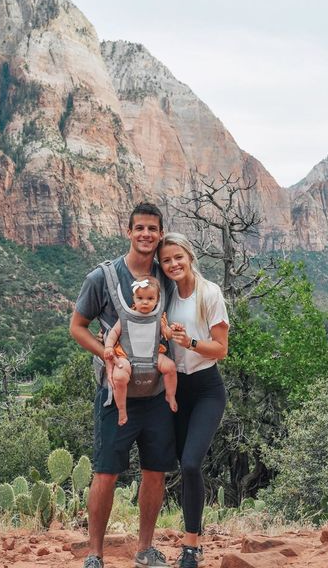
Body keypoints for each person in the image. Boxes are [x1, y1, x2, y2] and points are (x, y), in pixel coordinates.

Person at [70, 203, 177, 568]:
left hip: (158, 395)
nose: (146, 235)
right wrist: (107, 354)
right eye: (140, 228)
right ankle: (95, 554)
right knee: (105, 472)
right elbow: (77, 327)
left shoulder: (168, 278)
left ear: (160, 234)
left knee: (156, 470)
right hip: (115, 395)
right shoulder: (102, 278)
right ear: (128, 232)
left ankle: (145, 549)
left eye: (153, 229)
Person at [157, 232, 229, 568]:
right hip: (175, 389)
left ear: (189, 256)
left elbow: (222, 349)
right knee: (172, 464)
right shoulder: (165, 295)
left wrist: (190, 343)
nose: (173, 264)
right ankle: (170, 540)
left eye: (178, 257)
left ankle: (191, 547)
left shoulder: (209, 293)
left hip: (206, 390)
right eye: (166, 260)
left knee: (190, 464)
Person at [104, 275, 178, 425]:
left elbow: (167, 335)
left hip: (153, 355)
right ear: (134, 298)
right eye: (140, 298)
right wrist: (109, 347)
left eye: (150, 298)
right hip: (126, 355)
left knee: (170, 367)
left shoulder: (159, 317)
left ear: (157, 299)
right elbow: (113, 333)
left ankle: (170, 395)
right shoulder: (126, 315)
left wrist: (173, 330)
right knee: (119, 377)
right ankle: (122, 410)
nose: (145, 302)